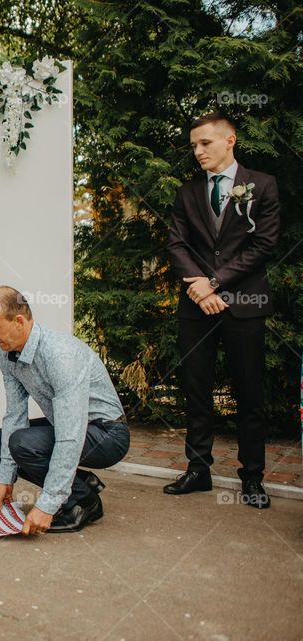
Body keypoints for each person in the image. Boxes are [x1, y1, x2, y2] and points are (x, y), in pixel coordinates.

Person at [164, 112, 281, 509]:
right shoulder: (187, 193)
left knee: (249, 393)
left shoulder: (262, 186)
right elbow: (177, 245)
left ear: (230, 140)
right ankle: (198, 471)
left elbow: (263, 246)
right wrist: (200, 290)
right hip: (196, 308)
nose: (197, 151)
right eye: (193, 145)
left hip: (243, 306)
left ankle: (252, 478)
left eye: (205, 143)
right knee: (196, 391)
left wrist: (214, 284)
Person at [0, 286, 129, 534]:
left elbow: (70, 434)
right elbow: (15, 415)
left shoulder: (60, 355)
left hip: (107, 434)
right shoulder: (7, 355)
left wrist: (47, 504)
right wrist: (6, 478)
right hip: (68, 425)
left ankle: (85, 503)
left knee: (22, 443)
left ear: (18, 321)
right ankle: (80, 484)